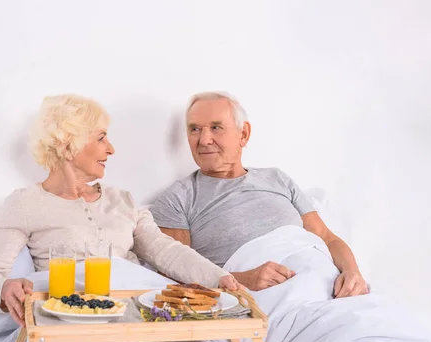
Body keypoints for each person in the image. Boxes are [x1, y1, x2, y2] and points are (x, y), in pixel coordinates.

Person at [0, 93, 244, 327]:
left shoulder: (123, 201)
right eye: (101, 138)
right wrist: (4, 289)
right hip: (74, 326)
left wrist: (220, 278)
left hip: (138, 320)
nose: (110, 149)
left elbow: (166, 251)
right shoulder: (24, 204)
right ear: (68, 145)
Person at [150, 91, 369, 298]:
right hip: (271, 300)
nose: (204, 139)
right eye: (195, 129)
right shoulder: (178, 199)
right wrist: (241, 280)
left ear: (243, 134)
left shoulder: (277, 179)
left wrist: (353, 272)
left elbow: (328, 238)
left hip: (332, 287)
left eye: (216, 127)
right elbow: (173, 275)